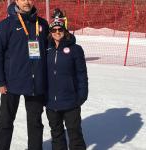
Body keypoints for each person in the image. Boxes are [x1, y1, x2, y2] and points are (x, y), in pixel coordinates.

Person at [0, 0, 49, 150]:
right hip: (11, 83)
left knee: (35, 123)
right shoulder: (5, 26)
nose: (27, 2)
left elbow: (51, 52)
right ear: (16, 1)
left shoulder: (43, 24)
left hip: (36, 83)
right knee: (5, 121)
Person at [45, 8, 88, 150]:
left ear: (65, 31)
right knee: (56, 135)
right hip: (51, 102)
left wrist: (81, 96)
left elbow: (81, 74)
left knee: (75, 135)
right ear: (50, 33)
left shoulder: (75, 49)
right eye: (54, 30)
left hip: (71, 101)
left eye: (60, 30)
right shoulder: (46, 49)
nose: (57, 32)